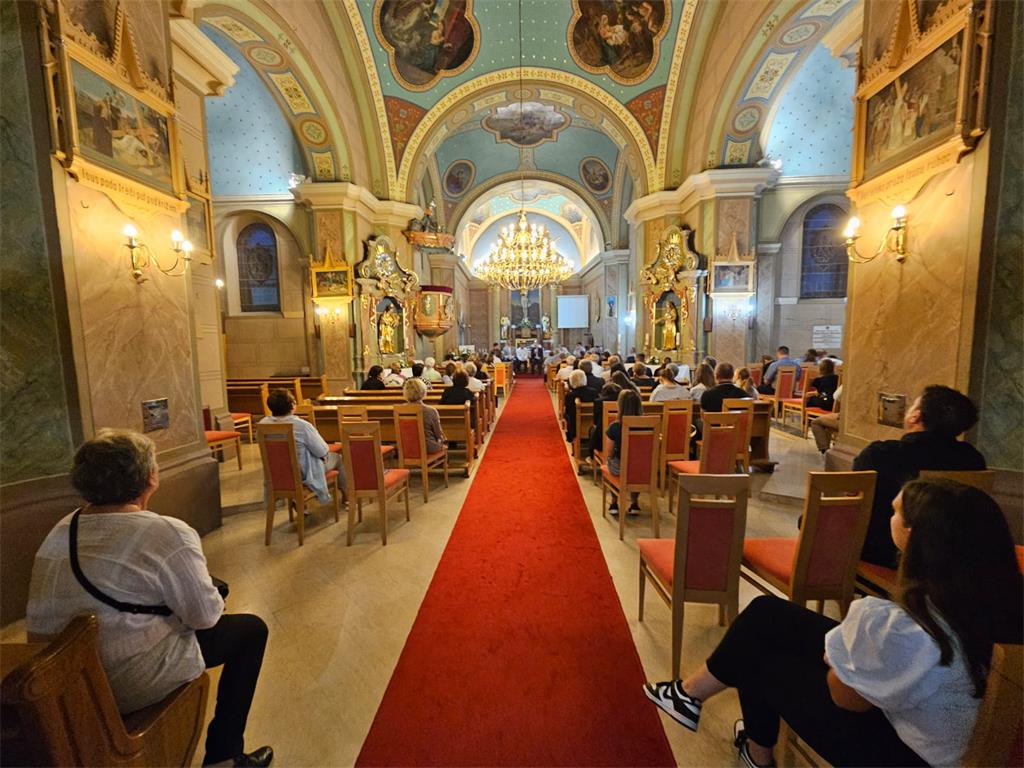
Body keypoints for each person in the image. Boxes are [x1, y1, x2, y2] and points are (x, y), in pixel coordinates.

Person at [643, 479, 1023, 768]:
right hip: (941, 729)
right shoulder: (992, 599)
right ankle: (689, 695)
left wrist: (839, 655)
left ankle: (756, 754)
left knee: (759, 658)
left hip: (903, 753)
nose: (888, 516)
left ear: (913, 537)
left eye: (895, 512)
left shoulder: (905, 628)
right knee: (767, 613)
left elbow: (846, 697)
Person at [27, 430, 273, 767]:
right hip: (122, 679)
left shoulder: (62, 528)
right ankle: (224, 757)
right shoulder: (165, 532)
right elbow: (205, 617)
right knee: (251, 631)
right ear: (150, 478)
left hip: (59, 683)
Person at [854, 385, 985, 568]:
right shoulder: (972, 459)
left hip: (886, 555)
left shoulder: (881, 455)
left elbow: (853, 506)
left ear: (916, 416)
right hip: (951, 557)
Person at [261, 389, 345, 502]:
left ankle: (300, 504)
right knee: (338, 458)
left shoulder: (263, 424)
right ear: (292, 405)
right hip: (302, 473)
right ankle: (347, 497)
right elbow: (322, 451)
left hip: (276, 472)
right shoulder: (301, 426)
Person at [604, 389, 644, 515]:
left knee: (611, 460)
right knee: (637, 465)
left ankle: (614, 502)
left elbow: (610, 452)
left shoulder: (615, 426)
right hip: (642, 469)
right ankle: (634, 503)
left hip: (620, 469)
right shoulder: (648, 424)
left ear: (619, 405)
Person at [403, 378, 446, 454]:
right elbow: (438, 434)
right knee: (443, 444)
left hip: (407, 447)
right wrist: (443, 439)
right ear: (423, 392)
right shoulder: (430, 411)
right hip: (428, 447)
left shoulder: (400, 410)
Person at [586, 382, 622, 459]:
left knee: (592, 429)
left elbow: (595, 423)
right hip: (621, 440)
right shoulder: (624, 402)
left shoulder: (599, 401)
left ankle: (591, 456)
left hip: (603, 438)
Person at [564, 369, 600, 444]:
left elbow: (568, 412)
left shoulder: (570, 396)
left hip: (576, 427)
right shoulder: (594, 392)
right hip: (593, 425)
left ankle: (571, 437)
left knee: (566, 415)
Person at [810, 385, 842, 454]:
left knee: (815, 422)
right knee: (827, 423)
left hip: (845, 420)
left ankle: (825, 451)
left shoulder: (849, 384)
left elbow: (836, 396)